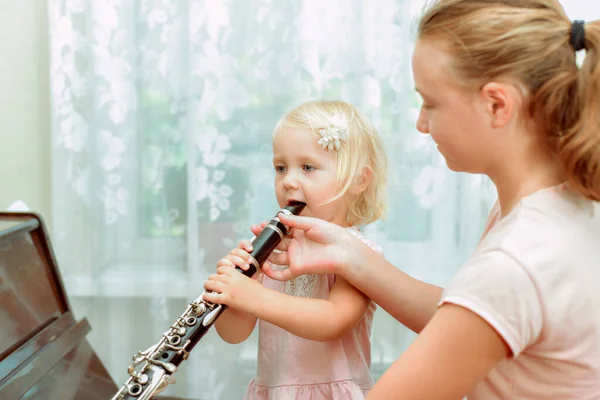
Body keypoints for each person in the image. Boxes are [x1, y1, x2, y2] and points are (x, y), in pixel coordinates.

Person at [247, 1, 600, 398]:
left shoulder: (518, 259)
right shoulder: (547, 206)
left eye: (430, 102)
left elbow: (493, 295)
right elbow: (472, 315)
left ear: (498, 105)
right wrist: (350, 255)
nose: (421, 122)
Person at [202, 100, 389, 399]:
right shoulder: (270, 248)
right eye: (280, 168)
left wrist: (256, 296)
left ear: (358, 180)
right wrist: (234, 293)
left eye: (308, 167)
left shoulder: (359, 253)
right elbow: (234, 335)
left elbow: (333, 321)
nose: (288, 181)